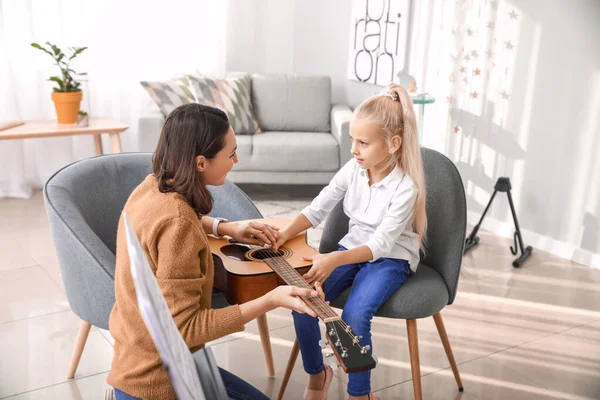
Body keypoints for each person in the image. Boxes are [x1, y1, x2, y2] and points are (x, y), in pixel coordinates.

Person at [107, 103, 322, 400]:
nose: (236, 160)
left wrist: (225, 228)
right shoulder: (178, 224)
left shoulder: (151, 188)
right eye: (230, 153)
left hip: (138, 362)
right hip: (159, 382)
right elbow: (186, 330)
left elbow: (172, 222)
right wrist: (271, 299)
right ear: (200, 163)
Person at [274, 83, 427, 400]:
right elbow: (318, 207)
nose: (354, 149)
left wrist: (331, 259)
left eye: (363, 143)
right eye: (352, 141)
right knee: (302, 302)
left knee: (355, 315)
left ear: (393, 144)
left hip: (390, 259)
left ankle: (360, 394)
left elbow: (381, 246)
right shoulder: (353, 169)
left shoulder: (405, 188)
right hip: (351, 249)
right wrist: (284, 233)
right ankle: (319, 374)